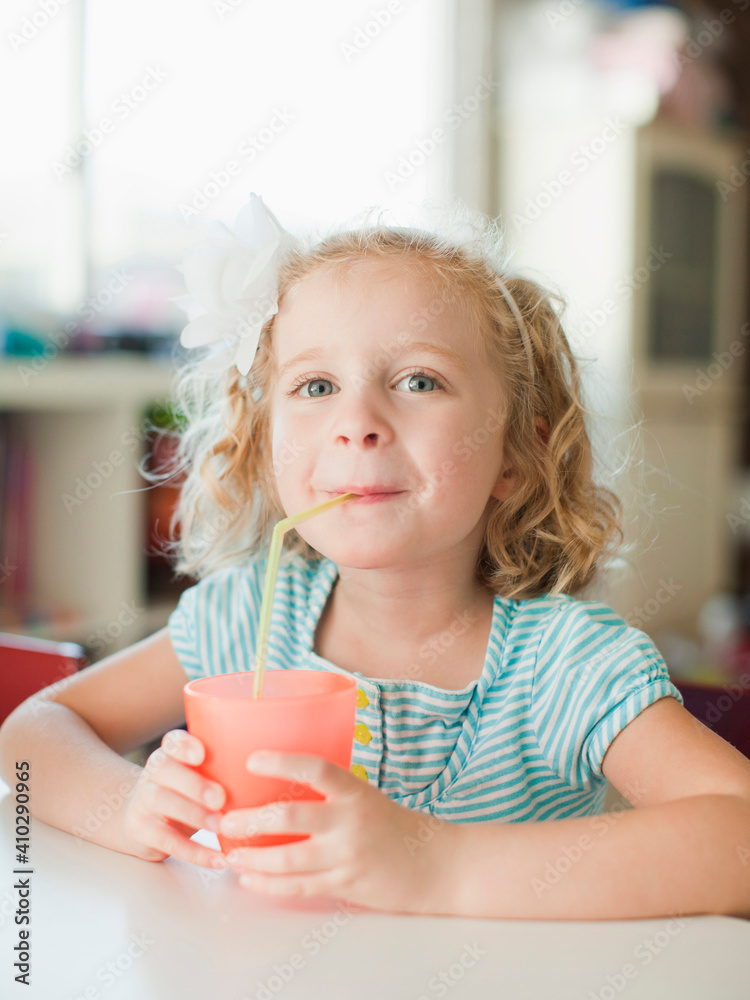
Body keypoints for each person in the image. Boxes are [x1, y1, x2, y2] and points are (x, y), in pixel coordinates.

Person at [2, 194, 750, 922]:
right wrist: (127, 806)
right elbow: (31, 734)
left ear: (516, 455)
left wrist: (436, 866)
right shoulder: (245, 622)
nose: (356, 422)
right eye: (316, 385)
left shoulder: (565, 667)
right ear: (264, 445)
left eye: (418, 381)